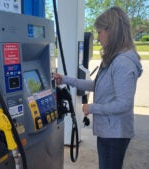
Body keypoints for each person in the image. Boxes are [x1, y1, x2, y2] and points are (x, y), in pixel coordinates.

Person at [53, 6, 142, 169]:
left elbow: (124, 104)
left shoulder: (123, 63)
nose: (98, 38)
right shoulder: (114, 58)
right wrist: (66, 79)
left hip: (115, 134)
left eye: (100, 32)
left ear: (112, 31)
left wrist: (93, 108)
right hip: (109, 130)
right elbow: (98, 85)